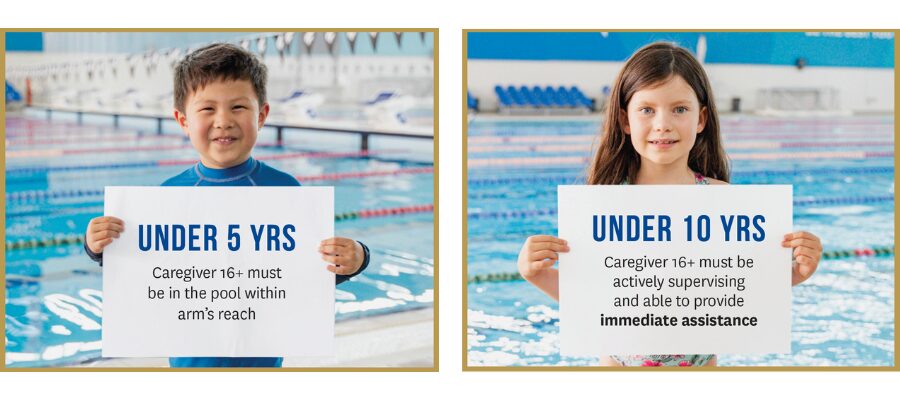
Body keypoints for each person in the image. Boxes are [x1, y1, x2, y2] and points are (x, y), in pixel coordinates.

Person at [516, 42, 822, 367]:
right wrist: (534, 273)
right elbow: (596, 300)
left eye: (679, 109)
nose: (663, 123)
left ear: (701, 119)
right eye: (647, 110)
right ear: (625, 121)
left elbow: (736, 287)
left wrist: (794, 274)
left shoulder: (723, 201)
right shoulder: (603, 204)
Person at [83, 43, 369, 368]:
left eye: (238, 108)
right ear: (183, 120)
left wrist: (355, 258)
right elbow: (146, 275)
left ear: (261, 116)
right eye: (207, 110)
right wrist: (99, 247)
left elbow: (303, 277)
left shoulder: (286, 191)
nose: (223, 121)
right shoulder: (166, 196)